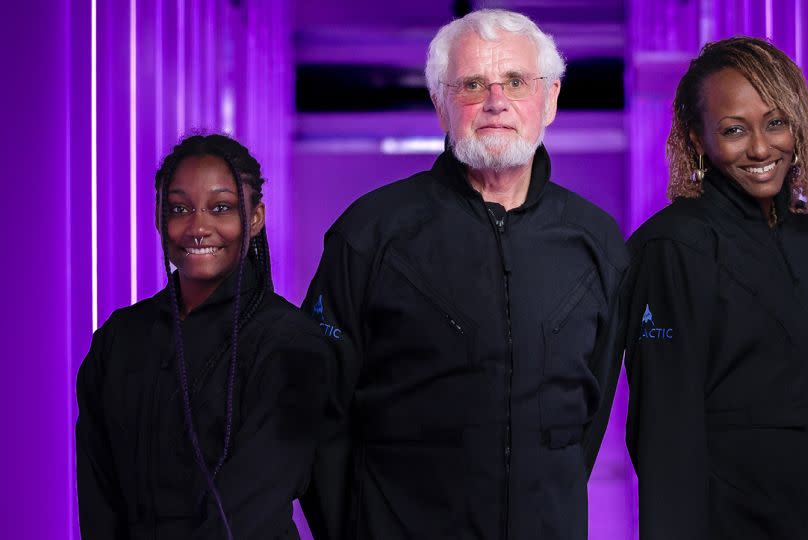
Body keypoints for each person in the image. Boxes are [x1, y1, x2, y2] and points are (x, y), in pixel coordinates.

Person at [298, 9, 628, 540]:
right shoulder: (370, 234)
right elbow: (318, 413)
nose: (496, 101)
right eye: (473, 84)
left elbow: (585, 423)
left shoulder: (598, 243)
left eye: (516, 82)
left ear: (550, 99)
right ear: (440, 104)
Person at [622, 36, 808, 539]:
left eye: (776, 123)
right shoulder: (673, 248)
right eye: (733, 130)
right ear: (696, 136)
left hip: (806, 519)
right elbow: (665, 433)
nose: (761, 148)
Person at [76, 135, 329, 539]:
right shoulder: (118, 339)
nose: (198, 227)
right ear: (159, 217)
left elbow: (252, 508)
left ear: (256, 217)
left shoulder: (289, 342)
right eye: (179, 208)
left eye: (221, 208)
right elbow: (98, 492)